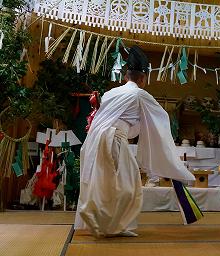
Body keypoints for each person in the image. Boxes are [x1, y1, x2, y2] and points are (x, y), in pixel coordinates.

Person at [74, 45, 195, 238]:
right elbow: (161, 118)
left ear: (125, 76)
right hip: (114, 140)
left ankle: (107, 223)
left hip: (95, 141)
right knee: (129, 186)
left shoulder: (110, 93)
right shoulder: (139, 94)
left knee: (105, 183)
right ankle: (103, 220)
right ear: (142, 78)